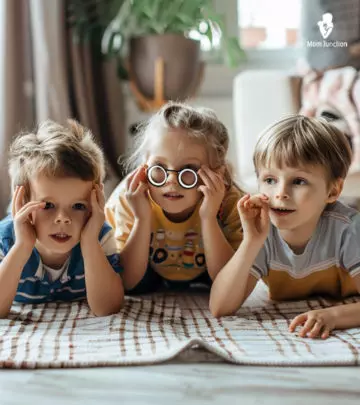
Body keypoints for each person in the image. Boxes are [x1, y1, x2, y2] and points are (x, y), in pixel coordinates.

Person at [209, 115, 360, 339]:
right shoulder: (261, 230)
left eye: (298, 181)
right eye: (270, 180)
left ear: (332, 192)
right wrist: (251, 241)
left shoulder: (348, 230)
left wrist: (335, 316)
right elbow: (220, 307)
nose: (280, 193)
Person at [105, 102, 244, 293]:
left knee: (229, 278)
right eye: (159, 167)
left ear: (217, 174)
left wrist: (209, 217)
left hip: (208, 268)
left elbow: (229, 287)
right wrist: (141, 218)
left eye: (189, 170)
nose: (171, 181)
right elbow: (126, 282)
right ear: (144, 166)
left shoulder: (230, 201)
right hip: (146, 269)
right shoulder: (130, 198)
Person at [0, 120, 124, 318]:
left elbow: (107, 308)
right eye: (48, 205)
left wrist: (90, 243)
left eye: (78, 206)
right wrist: (22, 246)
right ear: (22, 202)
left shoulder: (98, 236)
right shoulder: (6, 239)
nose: (63, 219)